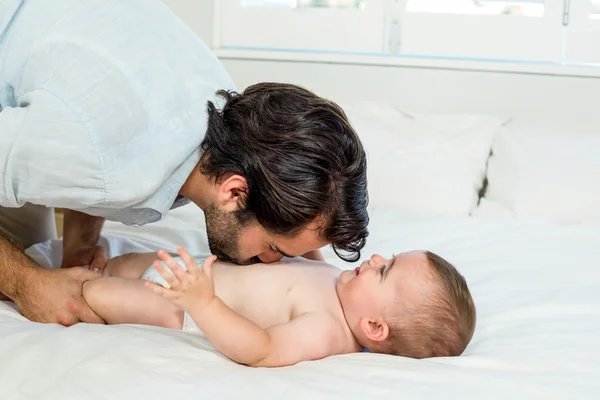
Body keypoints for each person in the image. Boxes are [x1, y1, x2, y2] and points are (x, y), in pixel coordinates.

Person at [0, 0, 368, 325]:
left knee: (37, 249)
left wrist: (78, 251)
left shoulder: (221, 112)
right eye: (275, 248)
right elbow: (99, 156)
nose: (275, 264)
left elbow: (97, 152)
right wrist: (25, 283)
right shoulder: (102, 159)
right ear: (234, 190)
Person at [82, 247, 476, 367]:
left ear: (373, 327)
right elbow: (303, 273)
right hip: (193, 275)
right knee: (124, 264)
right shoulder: (341, 286)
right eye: (386, 257)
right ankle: (93, 265)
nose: (373, 258)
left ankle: (78, 283)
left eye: (384, 271)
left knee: (95, 294)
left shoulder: (325, 329)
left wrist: (204, 303)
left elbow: (261, 349)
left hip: (183, 308)